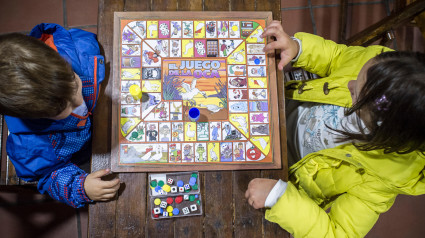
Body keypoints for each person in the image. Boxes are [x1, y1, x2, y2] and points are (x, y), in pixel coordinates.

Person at [245, 20, 425, 237]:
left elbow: (337, 233)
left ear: (381, 126)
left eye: (356, 94)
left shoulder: (382, 181)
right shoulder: (381, 70)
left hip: (276, 171)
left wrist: (280, 197)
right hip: (277, 107)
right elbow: (337, 57)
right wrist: (297, 48)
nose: (349, 84)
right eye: (357, 78)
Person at [0, 23, 120, 208]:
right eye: (64, 107)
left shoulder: (76, 49)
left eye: (73, 81)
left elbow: (87, 43)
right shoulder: (32, 148)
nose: (79, 101)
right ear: (38, 117)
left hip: (103, 115)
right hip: (80, 152)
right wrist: (82, 187)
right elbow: (50, 176)